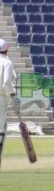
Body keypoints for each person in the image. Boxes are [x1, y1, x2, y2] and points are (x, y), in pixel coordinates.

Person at [0, 38, 20, 168]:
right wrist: (13, 97)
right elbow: (6, 82)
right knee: (0, 130)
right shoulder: (7, 62)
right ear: (7, 49)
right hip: (0, 98)